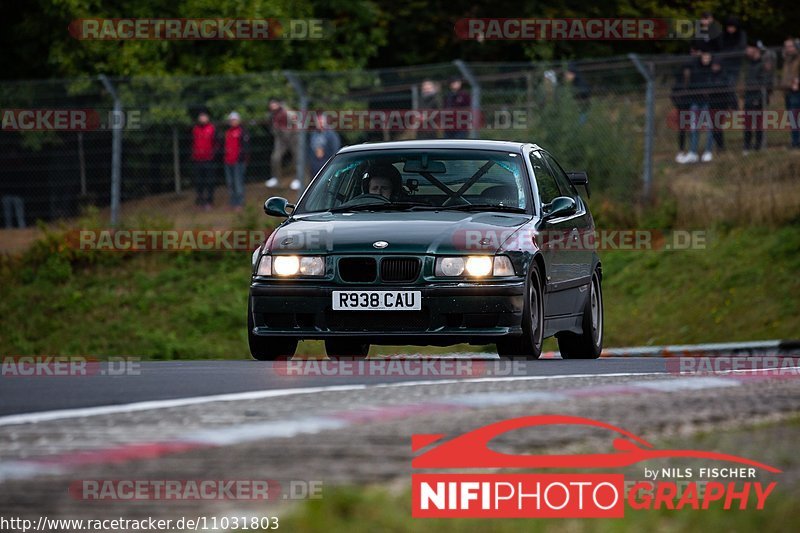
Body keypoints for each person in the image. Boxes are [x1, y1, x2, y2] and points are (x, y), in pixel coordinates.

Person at [679, 52, 720, 164]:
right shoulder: (695, 68)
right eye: (704, 57)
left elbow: (714, 84)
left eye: (708, 57)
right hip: (695, 101)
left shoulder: (712, 70)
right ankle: (693, 152)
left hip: (706, 102)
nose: (706, 59)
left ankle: (708, 151)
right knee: (694, 127)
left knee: (709, 127)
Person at [742, 43, 774, 153]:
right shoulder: (749, 64)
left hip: (758, 98)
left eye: (748, 49)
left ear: (755, 49)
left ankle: (758, 146)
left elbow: (767, 82)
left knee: (758, 123)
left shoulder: (764, 64)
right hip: (748, 97)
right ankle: (746, 146)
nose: (746, 51)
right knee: (747, 123)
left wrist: (759, 97)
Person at [266, 98, 301, 190]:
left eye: (274, 104)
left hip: (293, 137)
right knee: (275, 157)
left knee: (297, 158)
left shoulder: (288, 112)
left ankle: (298, 179)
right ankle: (276, 179)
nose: (272, 106)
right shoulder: (271, 115)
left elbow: (296, 124)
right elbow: (272, 127)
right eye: (271, 104)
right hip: (281, 139)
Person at [223, 111, 249, 211]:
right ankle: (232, 202)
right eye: (231, 120)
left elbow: (246, 147)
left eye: (234, 119)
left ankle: (240, 202)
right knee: (230, 183)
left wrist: (242, 158)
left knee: (238, 183)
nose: (232, 121)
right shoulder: (228, 132)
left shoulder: (242, 132)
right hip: (228, 161)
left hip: (239, 161)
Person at [190, 111, 217, 210]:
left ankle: (210, 201)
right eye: (201, 117)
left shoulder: (212, 128)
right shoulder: (195, 129)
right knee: (199, 181)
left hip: (209, 159)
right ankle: (200, 200)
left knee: (209, 181)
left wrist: (212, 155)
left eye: (204, 117)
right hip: (197, 160)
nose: (202, 119)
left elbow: (216, 143)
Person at [780, 38, 800, 149]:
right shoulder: (787, 60)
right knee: (792, 119)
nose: (788, 48)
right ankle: (795, 142)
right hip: (787, 92)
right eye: (786, 46)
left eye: (790, 46)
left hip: (796, 92)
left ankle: (797, 143)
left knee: (795, 117)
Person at [308, 114, 341, 178]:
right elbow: (310, 149)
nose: (319, 124)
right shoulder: (313, 134)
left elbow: (335, 150)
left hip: (327, 163)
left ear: (325, 122)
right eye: (318, 122)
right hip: (315, 165)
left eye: (321, 122)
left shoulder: (331, 134)